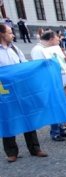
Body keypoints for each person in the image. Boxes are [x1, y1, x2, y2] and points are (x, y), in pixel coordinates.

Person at [0, 25, 47, 162]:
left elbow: (25, 65)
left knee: (28, 117)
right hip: (4, 91)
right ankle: (11, 151)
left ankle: (34, 148)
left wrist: (39, 65)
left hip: (20, 88)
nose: (13, 35)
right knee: (8, 119)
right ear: (1, 34)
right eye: (9, 32)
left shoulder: (15, 48)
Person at [30, 31, 66, 142]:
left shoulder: (52, 49)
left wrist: (64, 60)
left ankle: (61, 129)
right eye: (57, 39)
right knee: (53, 106)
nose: (58, 41)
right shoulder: (38, 50)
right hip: (48, 82)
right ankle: (55, 132)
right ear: (51, 39)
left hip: (57, 80)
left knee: (59, 104)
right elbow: (40, 68)